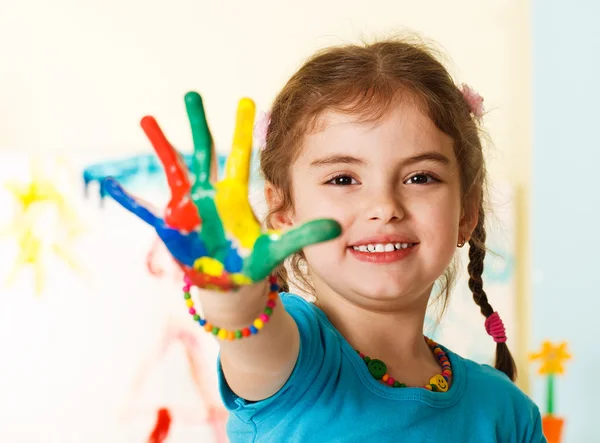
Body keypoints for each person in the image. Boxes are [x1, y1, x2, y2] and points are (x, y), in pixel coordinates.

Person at [104, 36, 546, 442]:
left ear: (466, 212)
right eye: (342, 178)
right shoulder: (298, 355)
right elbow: (247, 332)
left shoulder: (506, 411)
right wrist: (231, 290)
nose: (384, 205)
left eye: (419, 176)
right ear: (283, 213)